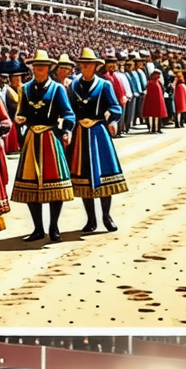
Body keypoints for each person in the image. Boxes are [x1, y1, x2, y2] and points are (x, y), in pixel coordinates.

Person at [12, 49, 76, 244]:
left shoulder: (57, 89)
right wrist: (19, 119)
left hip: (50, 137)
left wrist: (66, 130)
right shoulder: (25, 89)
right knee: (30, 184)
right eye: (36, 67)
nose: (39, 70)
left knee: (54, 184)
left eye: (42, 67)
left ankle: (53, 226)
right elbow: (20, 112)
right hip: (32, 137)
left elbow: (69, 113)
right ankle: (38, 228)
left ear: (49, 69)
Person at [68, 49, 128, 234]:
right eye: (83, 64)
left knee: (103, 175)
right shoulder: (73, 86)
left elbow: (115, 106)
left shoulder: (104, 85)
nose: (85, 67)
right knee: (84, 177)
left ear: (95, 66)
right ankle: (91, 219)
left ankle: (106, 216)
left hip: (98, 133)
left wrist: (112, 119)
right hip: (80, 133)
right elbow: (68, 109)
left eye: (89, 64)